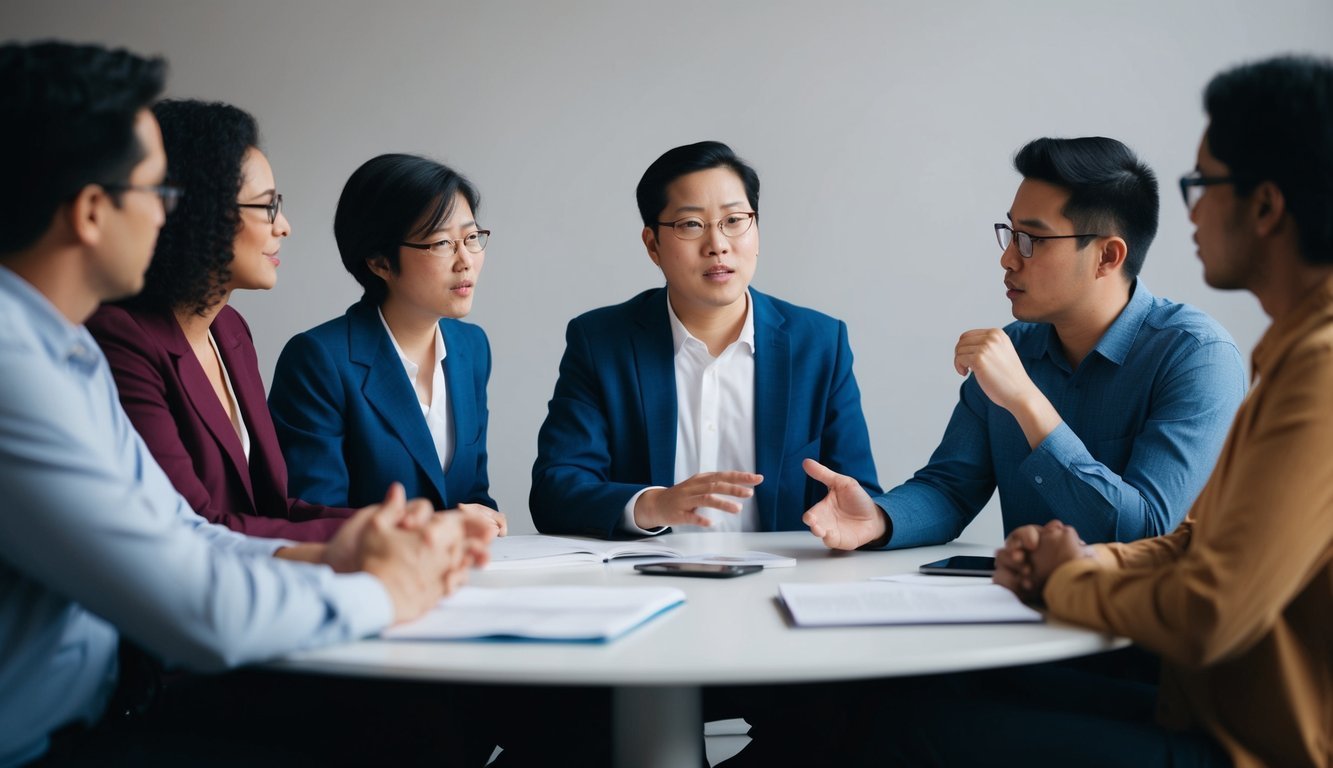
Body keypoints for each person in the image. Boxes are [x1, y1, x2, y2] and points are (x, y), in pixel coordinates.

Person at [0, 41, 492, 767]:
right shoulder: (24, 366)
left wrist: (343, 546)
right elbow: (194, 608)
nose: (170, 216)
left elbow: (182, 533)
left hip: (99, 706)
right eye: (157, 194)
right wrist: (385, 591)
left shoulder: (60, 349)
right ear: (92, 212)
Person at [983, 54, 1333, 768]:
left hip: (1248, 743)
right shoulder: (1292, 352)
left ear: (1265, 206)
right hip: (1196, 702)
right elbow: (1200, 541)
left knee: (904, 735)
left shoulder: (1307, 367)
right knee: (894, 705)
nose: (1189, 211)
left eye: (1202, 183)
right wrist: (1086, 556)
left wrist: (1064, 578)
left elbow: (1211, 613)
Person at [802, 137, 1246, 552]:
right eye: (1010, 233)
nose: (1008, 258)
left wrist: (1027, 402)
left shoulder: (1197, 357)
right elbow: (951, 489)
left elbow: (1145, 533)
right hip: (1026, 619)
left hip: (1141, 629)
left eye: (1032, 239)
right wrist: (879, 518)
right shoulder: (1014, 347)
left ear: (1108, 257)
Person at [530, 140, 881, 538]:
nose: (717, 245)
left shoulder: (818, 345)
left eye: (734, 220)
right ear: (652, 245)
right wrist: (653, 504)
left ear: (757, 230)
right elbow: (554, 492)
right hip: (649, 586)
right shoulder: (602, 343)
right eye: (690, 225)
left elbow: (858, 496)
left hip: (780, 582)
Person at [86, 99, 354, 540]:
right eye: (267, 207)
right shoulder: (121, 340)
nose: (284, 225)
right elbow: (193, 527)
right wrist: (367, 538)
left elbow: (274, 508)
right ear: (200, 214)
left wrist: (405, 524)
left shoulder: (230, 329)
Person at [269, 153, 502, 533]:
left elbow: (471, 494)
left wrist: (484, 520)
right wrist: (437, 527)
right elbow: (310, 514)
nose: (466, 261)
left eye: (472, 238)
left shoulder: (471, 348)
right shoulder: (319, 360)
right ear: (379, 262)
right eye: (442, 243)